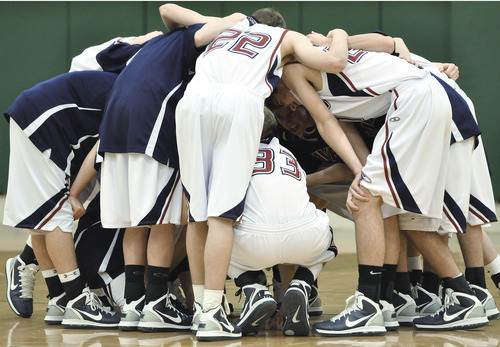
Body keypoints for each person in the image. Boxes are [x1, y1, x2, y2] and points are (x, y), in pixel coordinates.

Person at [266, 32, 493, 335]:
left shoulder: (297, 68)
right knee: (391, 208)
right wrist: (362, 171)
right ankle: (400, 298)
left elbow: (324, 120)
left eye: (279, 98)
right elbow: (389, 48)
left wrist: (337, 35)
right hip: (429, 97)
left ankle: (373, 305)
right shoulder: (328, 69)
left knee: (368, 200)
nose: (284, 104)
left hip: (415, 101)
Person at [173, 3, 373, 341]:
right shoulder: (288, 37)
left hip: (192, 102)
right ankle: (214, 311)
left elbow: (168, 10)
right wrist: (338, 35)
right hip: (239, 102)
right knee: (223, 217)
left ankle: (205, 311)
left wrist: (225, 20)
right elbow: (335, 62)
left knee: (199, 214)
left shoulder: (228, 26)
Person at [75, 3, 248, 333]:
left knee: (134, 223)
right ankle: (156, 304)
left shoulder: (145, 47)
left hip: (113, 133)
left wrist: (149, 35)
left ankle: (133, 305)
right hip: (148, 130)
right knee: (162, 222)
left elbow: (158, 15)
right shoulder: (187, 40)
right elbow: (231, 21)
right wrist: (233, 22)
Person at [3, 70, 121, 329]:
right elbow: (102, 147)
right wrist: (75, 194)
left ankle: (59, 297)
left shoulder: (132, 75)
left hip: (39, 114)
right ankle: (77, 299)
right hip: (46, 118)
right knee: (57, 214)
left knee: (44, 213)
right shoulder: (138, 96)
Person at [227, 107, 337, 337]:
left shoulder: (234, 154)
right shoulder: (290, 155)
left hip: (252, 245)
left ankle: (252, 288)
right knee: (322, 239)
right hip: (305, 239)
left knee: (211, 234)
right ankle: (302, 283)